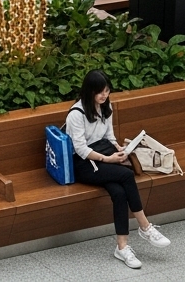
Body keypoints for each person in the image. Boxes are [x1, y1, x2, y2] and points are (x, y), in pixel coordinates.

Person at [67, 70, 171, 269]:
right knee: (125, 174)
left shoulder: (106, 107)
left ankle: (122, 247)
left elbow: (109, 136)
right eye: (99, 92)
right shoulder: (76, 114)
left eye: (107, 91)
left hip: (103, 157)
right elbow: (80, 149)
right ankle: (145, 226)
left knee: (118, 191)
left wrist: (119, 149)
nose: (104, 96)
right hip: (83, 163)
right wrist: (109, 158)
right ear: (89, 92)